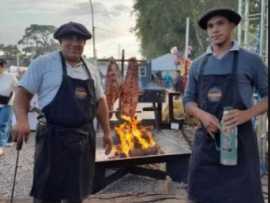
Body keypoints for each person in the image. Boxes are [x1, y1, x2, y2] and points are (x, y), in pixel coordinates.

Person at [13, 22, 113, 203]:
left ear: (85, 43)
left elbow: (100, 102)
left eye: (80, 39)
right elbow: (22, 94)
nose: (75, 43)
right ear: (60, 41)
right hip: (53, 138)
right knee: (47, 193)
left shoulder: (91, 69)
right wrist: (21, 121)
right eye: (70, 38)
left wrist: (106, 132)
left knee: (77, 194)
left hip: (83, 139)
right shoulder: (43, 63)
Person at [183, 8, 268, 203]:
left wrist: (248, 114)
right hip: (207, 144)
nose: (214, 29)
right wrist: (203, 116)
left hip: (241, 145)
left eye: (220, 23)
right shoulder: (198, 65)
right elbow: (187, 100)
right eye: (210, 26)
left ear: (232, 25)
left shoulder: (251, 61)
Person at [0, 59, 17, 156]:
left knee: (2, 124)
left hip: (6, 104)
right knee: (6, 124)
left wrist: (13, 100)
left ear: (2, 66)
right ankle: (9, 139)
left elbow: (18, 88)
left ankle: (1, 147)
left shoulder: (10, 77)